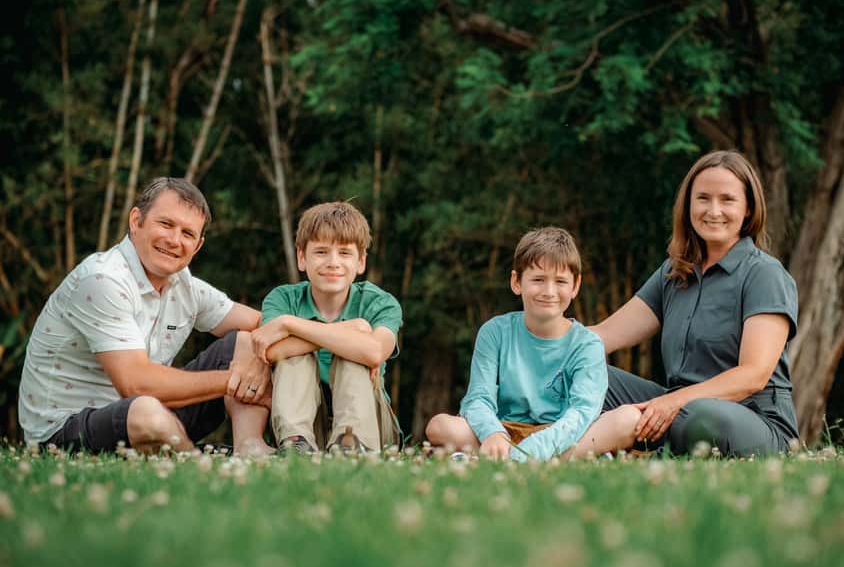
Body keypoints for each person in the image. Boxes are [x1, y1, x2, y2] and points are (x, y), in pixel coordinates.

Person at [18, 178, 273, 456]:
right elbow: (135, 383)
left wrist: (301, 337)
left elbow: (264, 323)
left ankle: (249, 448)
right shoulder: (104, 279)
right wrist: (234, 380)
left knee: (248, 344)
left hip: (149, 412)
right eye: (165, 224)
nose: (174, 240)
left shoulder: (183, 285)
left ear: (198, 246)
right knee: (146, 411)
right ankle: (191, 460)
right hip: (64, 430)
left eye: (187, 233)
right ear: (136, 221)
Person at [592, 150, 799, 456]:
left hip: (750, 420)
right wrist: (536, 348)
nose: (713, 210)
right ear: (688, 205)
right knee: (587, 371)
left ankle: (645, 454)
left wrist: (673, 402)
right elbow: (604, 334)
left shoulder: (764, 274)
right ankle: (550, 447)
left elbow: (753, 375)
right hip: (674, 409)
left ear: (748, 209)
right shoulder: (674, 271)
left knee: (701, 416)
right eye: (703, 198)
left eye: (727, 199)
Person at [426, 227, 640, 462]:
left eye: (560, 281)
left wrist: (534, 449)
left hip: (565, 433)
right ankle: (556, 457)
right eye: (538, 280)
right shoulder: (494, 332)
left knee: (628, 419)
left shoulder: (587, 344)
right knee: (440, 426)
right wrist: (493, 433)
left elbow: (582, 412)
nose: (549, 292)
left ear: (575, 286)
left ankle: (510, 458)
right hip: (505, 432)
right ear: (516, 281)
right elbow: (478, 398)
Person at [251, 201, 403, 453]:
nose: (333, 262)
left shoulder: (380, 302)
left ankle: (351, 444)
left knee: (354, 354)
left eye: (344, 253)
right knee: (297, 357)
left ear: (361, 262)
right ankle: (295, 443)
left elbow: (374, 351)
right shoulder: (283, 299)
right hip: (306, 421)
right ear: (302, 257)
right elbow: (271, 352)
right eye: (321, 252)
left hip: (370, 424)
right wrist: (349, 330)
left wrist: (290, 325)